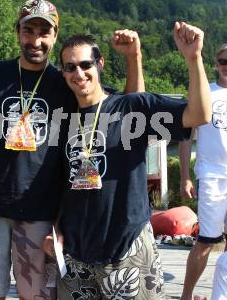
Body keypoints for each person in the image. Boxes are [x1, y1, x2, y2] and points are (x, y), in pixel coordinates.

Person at [0, 0, 145, 300]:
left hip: (39, 209)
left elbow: (131, 107)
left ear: (54, 36)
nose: (35, 40)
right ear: (17, 31)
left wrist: (133, 58)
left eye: (44, 33)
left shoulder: (66, 79)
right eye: (28, 30)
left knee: (34, 295)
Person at [43, 22, 211, 299]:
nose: (79, 73)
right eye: (70, 67)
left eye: (86, 64)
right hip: (75, 257)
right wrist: (56, 229)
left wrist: (194, 58)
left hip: (126, 251)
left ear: (100, 64)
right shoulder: (62, 120)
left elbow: (198, 115)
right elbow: (62, 184)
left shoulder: (130, 108)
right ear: (62, 73)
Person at [179, 43, 227, 300]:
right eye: (223, 61)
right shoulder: (205, 92)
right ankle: (187, 296)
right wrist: (185, 175)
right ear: (216, 63)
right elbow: (186, 136)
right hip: (212, 176)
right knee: (207, 241)